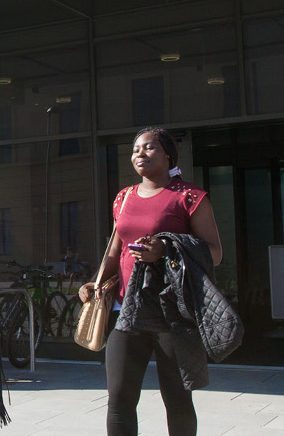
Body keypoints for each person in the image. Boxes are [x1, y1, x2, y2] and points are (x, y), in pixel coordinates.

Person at [77, 127, 224, 436]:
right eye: (135, 150)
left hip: (173, 313)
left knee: (177, 398)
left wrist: (166, 248)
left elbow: (215, 253)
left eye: (148, 148)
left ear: (168, 153)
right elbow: (115, 250)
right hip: (126, 310)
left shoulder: (188, 196)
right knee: (119, 398)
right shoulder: (124, 197)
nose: (139, 154)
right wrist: (97, 282)